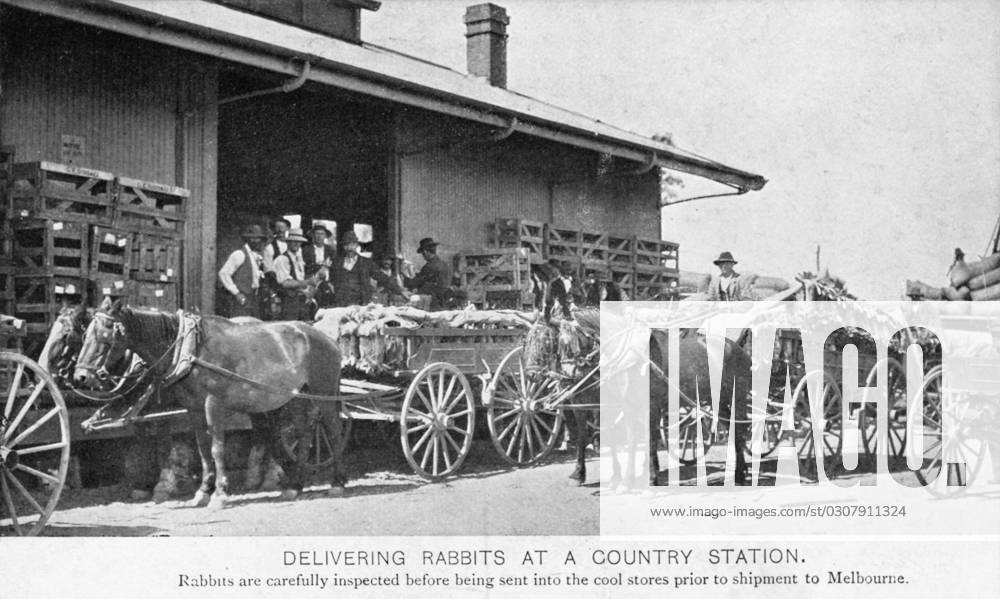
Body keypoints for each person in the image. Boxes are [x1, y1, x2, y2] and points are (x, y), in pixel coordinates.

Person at [326, 231, 404, 307]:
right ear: (343, 246)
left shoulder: (366, 263)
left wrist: (400, 291)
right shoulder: (337, 263)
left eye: (352, 244)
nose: (349, 248)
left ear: (357, 245)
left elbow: (383, 278)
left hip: (361, 304)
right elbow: (330, 280)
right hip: (341, 304)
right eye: (346, 244)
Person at [217, 224, 267, 318]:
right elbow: (223, 273)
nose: (258, 241)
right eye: (255, 238)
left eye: (259, 238)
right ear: (249, 239)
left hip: (253, 297)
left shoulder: (255, 256)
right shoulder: (239, 254)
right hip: (242, 297)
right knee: (240, 323)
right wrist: (236, 293)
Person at [272, 228, 319, 320]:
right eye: (293, 241)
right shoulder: (283, 259)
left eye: (298, 242)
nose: (296, 244)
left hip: (300, 300)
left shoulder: (298, 258)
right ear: (288, 242)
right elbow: (285, 283)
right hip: (288, 301)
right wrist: (306, 282)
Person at [402, 237, 451, 311]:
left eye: (422, 253)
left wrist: (404, 273)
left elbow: (415, 283)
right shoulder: (444, 264)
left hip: (434, 301)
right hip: (444, 299)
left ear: (425, 251)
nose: (423, 256)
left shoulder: (429, 266)